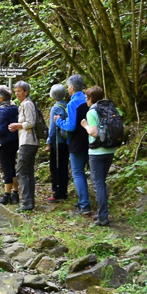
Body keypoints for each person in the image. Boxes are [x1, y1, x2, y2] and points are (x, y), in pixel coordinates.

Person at [80, 86, 117, 227]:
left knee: (98, 184)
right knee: (101, 182)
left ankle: (103, 217)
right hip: (110, 149)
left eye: (86, 97)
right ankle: (102, 212)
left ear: (90, 98)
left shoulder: (92, 112)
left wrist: (85, 126)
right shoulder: (108, 107)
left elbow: (94, 133)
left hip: (97, 152)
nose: (85, 100)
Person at [57, 75, 91, 216]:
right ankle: (83, 200)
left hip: (76, 141)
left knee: (77, 172)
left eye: (68, 87)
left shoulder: (72, 103)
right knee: (85, 172)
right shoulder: (87, 99)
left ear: (71, 88)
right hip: (89, 139)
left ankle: (84, 204)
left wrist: (59, 121)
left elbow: (70, 126)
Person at [8, 81, 39, 211]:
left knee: (21, 171)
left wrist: (17, 125)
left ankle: (26, 202)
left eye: (19, 91)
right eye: (15, 91)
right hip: (27, 141)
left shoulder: (27, 104)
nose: (17, 93)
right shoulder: (24, 104)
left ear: (26, 91)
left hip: (28, 142)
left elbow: (30, 123)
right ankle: (29, 201)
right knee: (28, 172)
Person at [0, 86, 19, 204]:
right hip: (14, 141)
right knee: (12, 168)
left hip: (4, 143)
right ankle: (15, 194)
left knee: (7, 169)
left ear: (1, 98)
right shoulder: (14, 107)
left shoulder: (2, 110)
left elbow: (1, 130)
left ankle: (6, 195)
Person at [46, 84, 69, 203]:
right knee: (64, 167)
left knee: (55, 168)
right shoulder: (66, 106)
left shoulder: (55, 108)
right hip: (66, 141)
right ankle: (64, 191)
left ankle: (58, 193)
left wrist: (49, 142)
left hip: (57, 142)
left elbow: (52, 128)